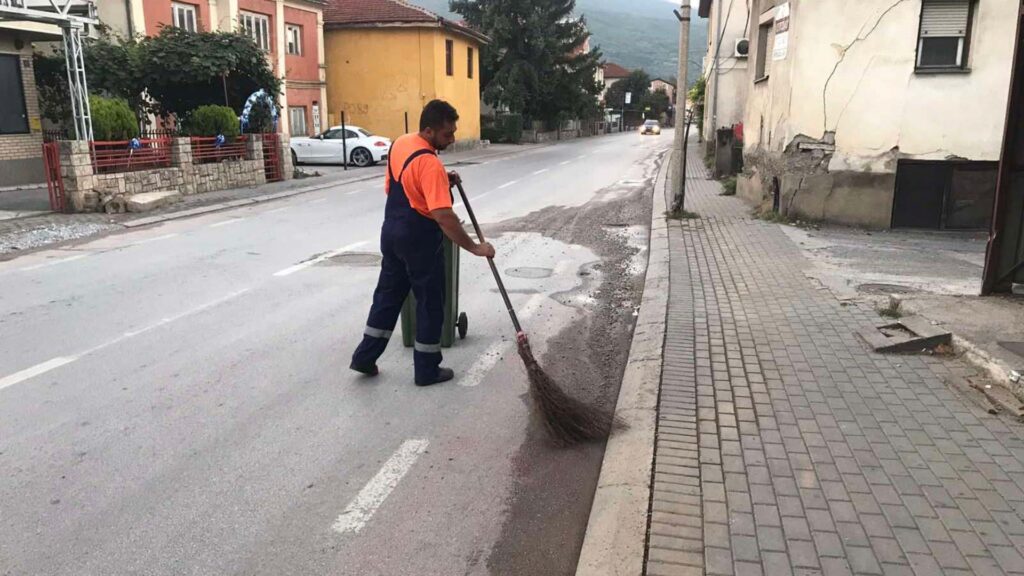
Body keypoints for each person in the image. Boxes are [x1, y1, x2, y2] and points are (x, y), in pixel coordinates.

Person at [350, 100, 495, 386]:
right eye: (446, 134)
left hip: (391, 231)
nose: (452, 139)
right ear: (428, 131)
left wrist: (444, 179)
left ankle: (364, 358)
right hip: (418, 238)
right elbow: (444, 217)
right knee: (430, 302)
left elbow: (401, 184)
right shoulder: (429, 163)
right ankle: (427, 370)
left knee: (387, 297)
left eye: (453, 132)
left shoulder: (402, 143)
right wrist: (476, 248)